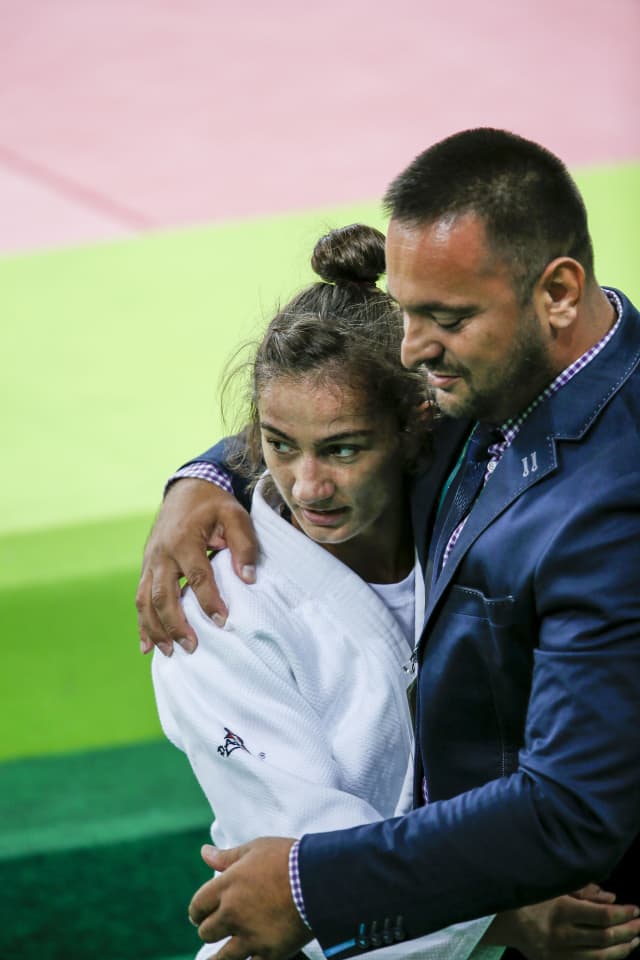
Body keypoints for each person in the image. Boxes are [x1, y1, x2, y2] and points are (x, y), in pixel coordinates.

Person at [136, 130, 640, 960]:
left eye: (445, 318)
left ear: (557, 293)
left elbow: (571, 808)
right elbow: (332, 415)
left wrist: (313, 889)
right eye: (406, 313)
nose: (412, 350)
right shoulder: (498, 374)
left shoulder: (604, 502)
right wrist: (202, 478)